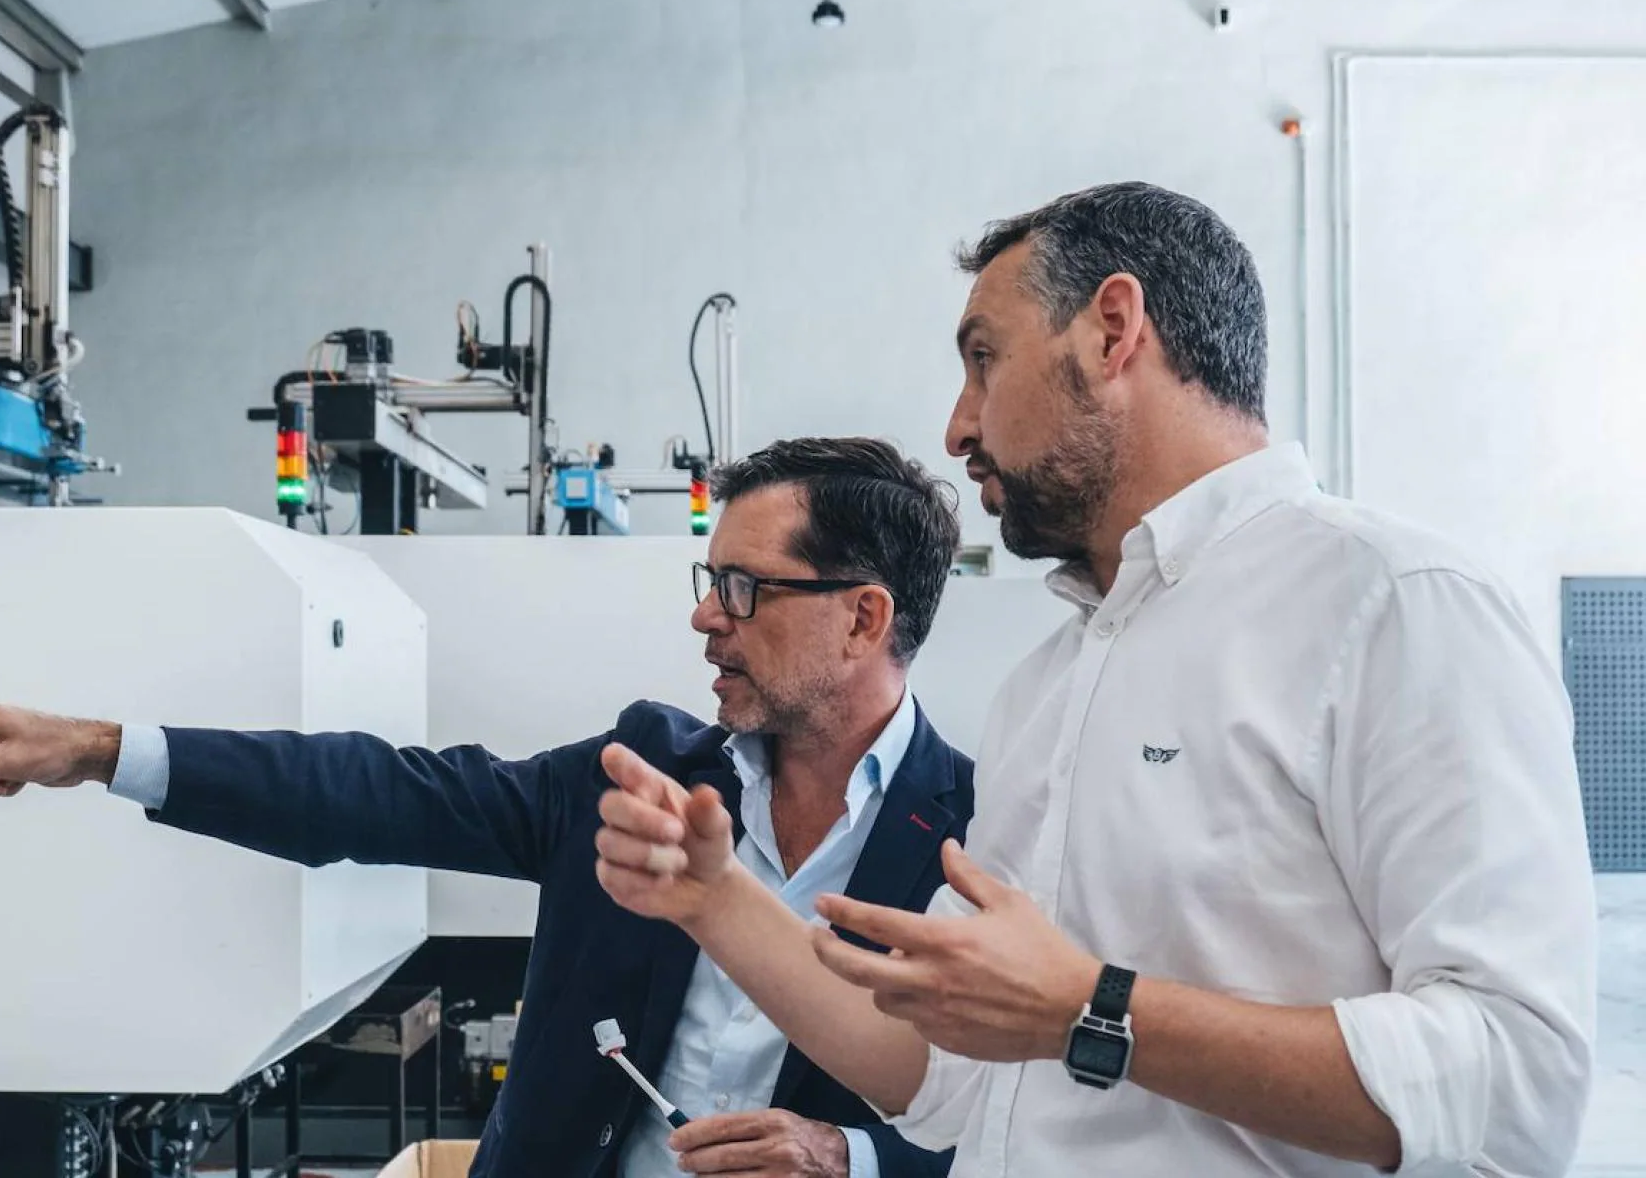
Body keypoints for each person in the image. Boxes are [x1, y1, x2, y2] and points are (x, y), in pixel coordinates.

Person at [595, 183, 1597, 1177]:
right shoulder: (1050, 685)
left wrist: (1094, 1008)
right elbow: (945, 1071)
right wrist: (714, 899)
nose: (955, 427)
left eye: (984, 359)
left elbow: (1514, 1084)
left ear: (1113, 330)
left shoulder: (1395, 604)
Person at [0, 436, 972, 1178]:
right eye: (706, 575)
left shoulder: (977, 833)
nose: (703, 615)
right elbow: (382, 793)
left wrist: (854, 1158)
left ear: (864, 618)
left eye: (742, 586)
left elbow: (1039, 1122)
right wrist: (103, 751)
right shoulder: (643, 769)